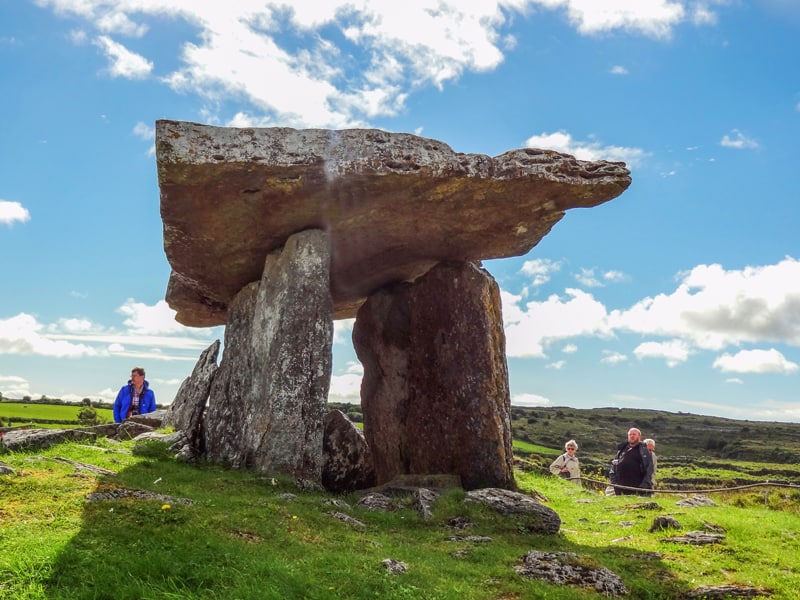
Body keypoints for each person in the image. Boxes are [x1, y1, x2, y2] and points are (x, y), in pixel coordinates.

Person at [610, 428, 654, 495]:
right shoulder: (622, 450)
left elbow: (649, 470)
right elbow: (614, 466)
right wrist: (614, 482)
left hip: (637, 489)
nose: (632, 436)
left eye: (634, 434)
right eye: (630, 434)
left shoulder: (644, 451)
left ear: (639, 436)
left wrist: (644, 485)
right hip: (620, 489)